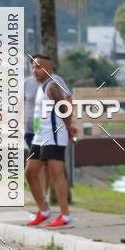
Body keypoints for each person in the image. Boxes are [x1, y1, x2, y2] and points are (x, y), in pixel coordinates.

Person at [25, 54, 74, 228]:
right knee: (30, 172)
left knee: (56, 173)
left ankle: (65, 216)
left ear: (50, 69)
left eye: (40, 67)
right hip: (40, 136)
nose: (35, 70)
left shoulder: (52, 86)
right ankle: (43, 210)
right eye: (33, 67)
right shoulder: (40, 86)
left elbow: (65, 107)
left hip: (54, 135)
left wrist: (68, 129)